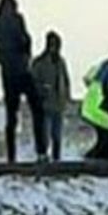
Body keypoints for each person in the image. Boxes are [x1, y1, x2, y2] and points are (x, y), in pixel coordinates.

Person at [0, 0, 47, 163]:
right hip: (12, 72)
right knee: (14, 115)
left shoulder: (12, 21)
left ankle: (39, 151)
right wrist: (1, 59)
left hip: (20, 71)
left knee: (31, 111)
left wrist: (21, 54)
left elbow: (26, 40)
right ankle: (14, 155)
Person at [31, 31, 71, 162]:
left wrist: (67, 97)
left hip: (58, 104)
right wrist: (42, 91)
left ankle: (56, 157)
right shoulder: (39, 63)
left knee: (57, 134)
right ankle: (42, 156)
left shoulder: (61, 62)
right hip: (45, 104)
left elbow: (65, 80)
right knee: (45, 133)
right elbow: (33, 82)